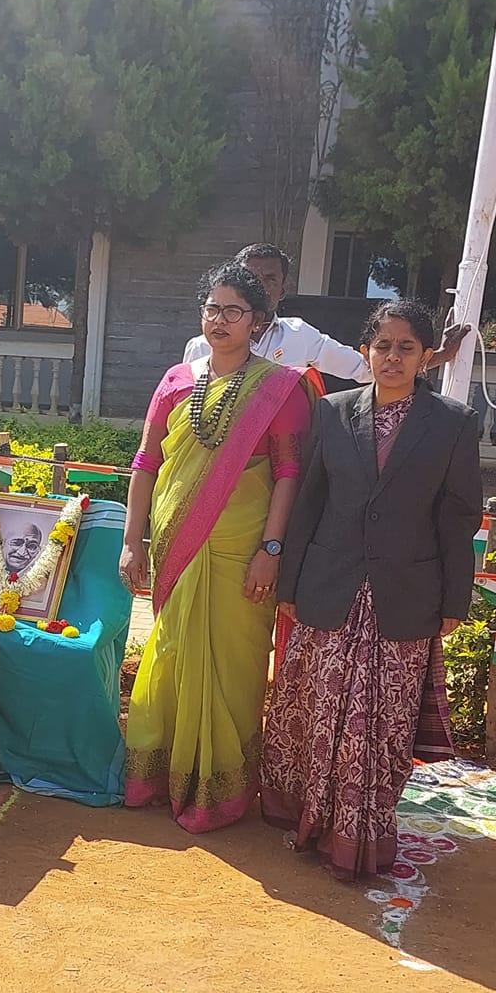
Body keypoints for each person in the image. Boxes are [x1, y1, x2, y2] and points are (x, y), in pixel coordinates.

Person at [262, 300, 482, 881]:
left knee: (381, 725)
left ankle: (359, 835)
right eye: (382, 346)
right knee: (317, 710)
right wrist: (290, 581)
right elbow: (308, 502)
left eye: (406, 347)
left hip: (404, 594)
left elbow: (459, 516)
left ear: (427, 356)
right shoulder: (333, 412)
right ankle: (309, 818)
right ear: (365, 352)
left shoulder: (453, 423)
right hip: (330, 588)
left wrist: (454, 599)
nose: (392, 357)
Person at [121, 261, 315, 833]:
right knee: (171, 653)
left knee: (234, 665)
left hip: (243, 551)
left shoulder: (281, 388)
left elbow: (289, 473)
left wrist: (271, 548)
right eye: (212, 308)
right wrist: (132, 541)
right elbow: (146, 463)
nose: (220, 320)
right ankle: (159, 776)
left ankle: (219, 790)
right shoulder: (176, 380)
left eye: (234, 311)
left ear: (258, 321)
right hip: (176, 542)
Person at [181, 243, 466, 380]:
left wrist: (440, 356)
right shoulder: (200, 347)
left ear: (283, 290)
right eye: (251, 278)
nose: (259, 287)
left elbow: (366, 369)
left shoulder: (299, 336)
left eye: (270, 279)